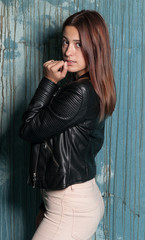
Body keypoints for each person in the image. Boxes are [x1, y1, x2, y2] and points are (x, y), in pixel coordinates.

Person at [19, 9, 116, 240]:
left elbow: (29, 128)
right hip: (73, 199)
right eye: (65, 41)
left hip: (70, 207)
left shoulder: (80, 92)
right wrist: (47, 206)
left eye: (78, 44)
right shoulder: (90, 85)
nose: (68, 51)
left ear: (95, 47)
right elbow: (80, 146)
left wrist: (48, 81)